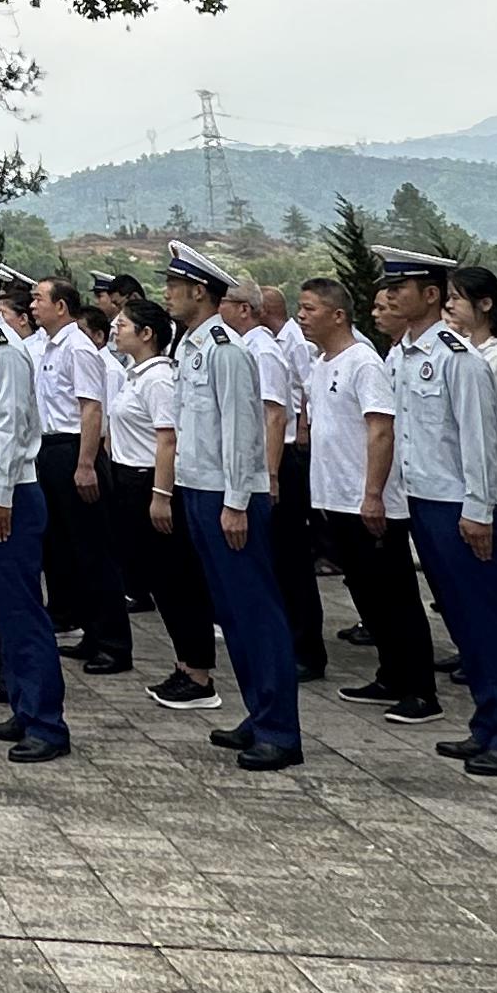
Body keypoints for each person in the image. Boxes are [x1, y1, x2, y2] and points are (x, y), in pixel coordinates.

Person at [380, 247, 497, 777]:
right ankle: (489, 723)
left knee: (494, 620)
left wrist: (479, 508)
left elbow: (478, 440)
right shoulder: (403, 356)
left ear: (431, 295)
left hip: (463, 504)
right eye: (388, 287)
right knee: (466, 623)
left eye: (400, 288)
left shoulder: (460, 358)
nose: (389, 296)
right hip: (426, 501)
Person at [160, 242, 298, 770]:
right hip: (199, 490)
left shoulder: (227, 350)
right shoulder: (192, 347)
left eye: (175, 285)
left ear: (200, 291)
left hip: (227, 494)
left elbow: (244, 431)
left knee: (255, 613)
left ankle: (280, 730)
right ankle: (259, 712)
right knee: (234, 616)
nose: (167, 294)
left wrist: (239, 501)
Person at [298, 276, 439, 724]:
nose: (302, 316)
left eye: (310, 308)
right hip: (335, 499)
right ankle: (391, 675)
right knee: (367, 595)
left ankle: (420, 690)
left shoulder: (363, 361)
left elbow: (380, 428)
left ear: (338, 315)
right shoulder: (321, 363)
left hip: (369, 502)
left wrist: (373, 494)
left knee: (394, 596)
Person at [0, 256, 71, 762]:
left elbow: (13, 425)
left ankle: (47, 722)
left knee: (22, 608)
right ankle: (25, 706)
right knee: (7, 604)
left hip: (6, 493)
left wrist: (0, 492)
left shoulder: (2, 349)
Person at [108, 298, 219, 710]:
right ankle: (184, 664)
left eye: (123, 324)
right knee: (160, 578)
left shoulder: (158, 379)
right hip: (130, 480)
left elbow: (167, 439)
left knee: (177, 579)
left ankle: (199, 675)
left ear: (147, 334)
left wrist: (161, 495)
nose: (115, 329)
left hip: (150, 485)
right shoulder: (135, 374)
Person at [35, 275, 132, 673]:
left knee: (93, 550)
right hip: (50, 448)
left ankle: (113, 643)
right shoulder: (47, 347)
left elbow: (92, 408)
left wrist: (86, 463)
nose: (33, 306)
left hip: (75, 449)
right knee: (66, 549)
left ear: (62, 306)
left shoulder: (79, 347)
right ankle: (90, 633)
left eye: (40, 299)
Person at [245, 283, 327, 682]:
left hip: (281, 460)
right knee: (274, 559)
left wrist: (272, 472)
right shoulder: (250, 345)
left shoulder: (265, 349)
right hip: (265, 461)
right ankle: (283, 642)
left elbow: (279, 414)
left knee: (290, 559)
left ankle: (305, 648)